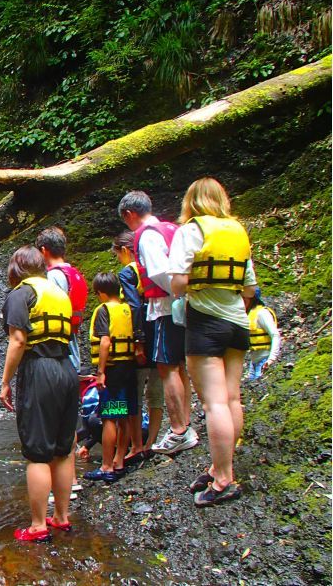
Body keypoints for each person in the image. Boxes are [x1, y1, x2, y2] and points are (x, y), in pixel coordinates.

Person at [169, 177, 257, 506]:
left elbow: (177, 283)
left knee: (215, 404)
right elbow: (249, 288)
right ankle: (221, 465)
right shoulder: (237, 231)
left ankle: (223, 479)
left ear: (190, 202)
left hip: (205, 323)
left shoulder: (190, 231)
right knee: (232, 399)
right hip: (237, 321)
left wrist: (193, 283)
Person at [0, 245, 79, 542]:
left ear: (16, 269)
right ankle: (60, 517)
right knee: (62, 450)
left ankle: (37, 525)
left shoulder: (21, 294)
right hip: (66, 369)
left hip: (40, 370)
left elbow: (18, 340)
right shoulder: (59, 293)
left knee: (37, 453)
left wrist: (5, 381)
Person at [118, 191, 198, 455]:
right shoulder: (170, 228)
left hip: (166, 309)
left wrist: (178, 297)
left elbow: (160, 273)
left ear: (130, 214)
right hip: (181, 307)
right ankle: (183, 425)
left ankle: (177, 430)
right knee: (177, 368)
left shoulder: (147, 236)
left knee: (167, 368)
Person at [111, 231, 164, 459]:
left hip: (140, 338)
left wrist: (138, 342)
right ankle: (152, 441)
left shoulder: (127, 273)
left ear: (124, 251)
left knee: (132, 396)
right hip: (160, 332)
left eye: (118, 255)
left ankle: (133, 447)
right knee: (156, 393)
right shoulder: (152, 267)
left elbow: (133, 306)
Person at [84, 273, 137, 482]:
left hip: (113, 370)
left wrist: (101, 371)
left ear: (102, 293)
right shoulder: (127, 309)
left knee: (109, 418)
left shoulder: (104, 310)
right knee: (123, 416)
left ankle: (106, 466)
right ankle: (119, 461)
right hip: (128, 368)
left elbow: (105, 342)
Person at [35, 227, 88, 370]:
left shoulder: (52, 276)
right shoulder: (74, 273)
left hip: (60, 345)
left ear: (44, 250)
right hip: (72, 338)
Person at [243, 288, 281, 379]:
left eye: (244, 298)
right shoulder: (248, 314)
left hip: (264, 360)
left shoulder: (262, 313)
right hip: (254, 361)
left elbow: (275, 335)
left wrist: (271, 359)